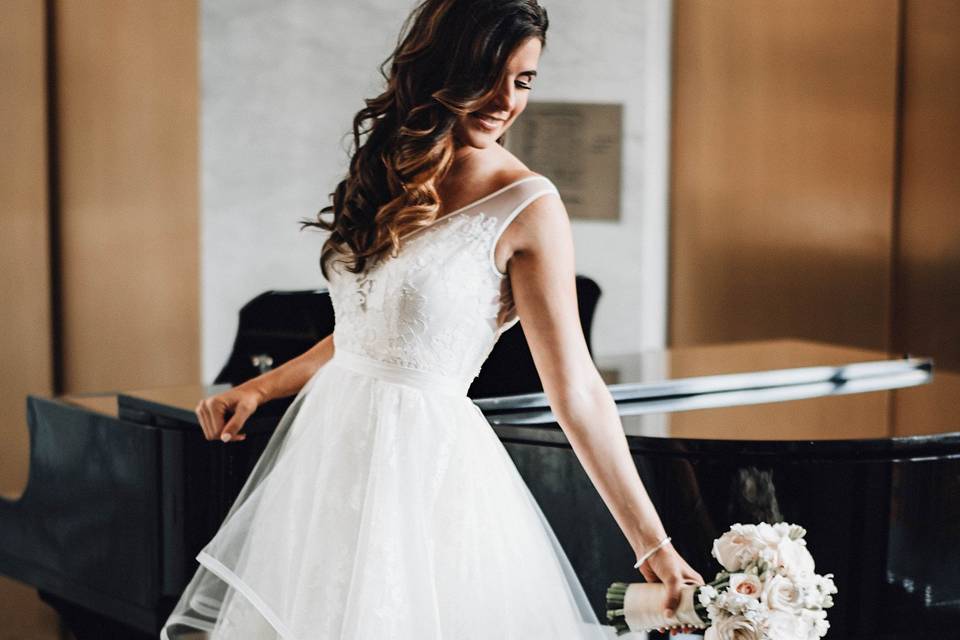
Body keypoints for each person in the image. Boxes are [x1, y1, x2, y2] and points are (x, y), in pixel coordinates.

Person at [161, 1, 703, 638]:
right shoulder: (393, 169)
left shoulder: (529, 204)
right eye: (490, 75)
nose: (506, 101)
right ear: (443, 69)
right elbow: (367, 337)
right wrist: (259, 386)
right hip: (327, 460)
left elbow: (577, 389)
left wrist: (652, 547)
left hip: (423, 474)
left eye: (523, 80)